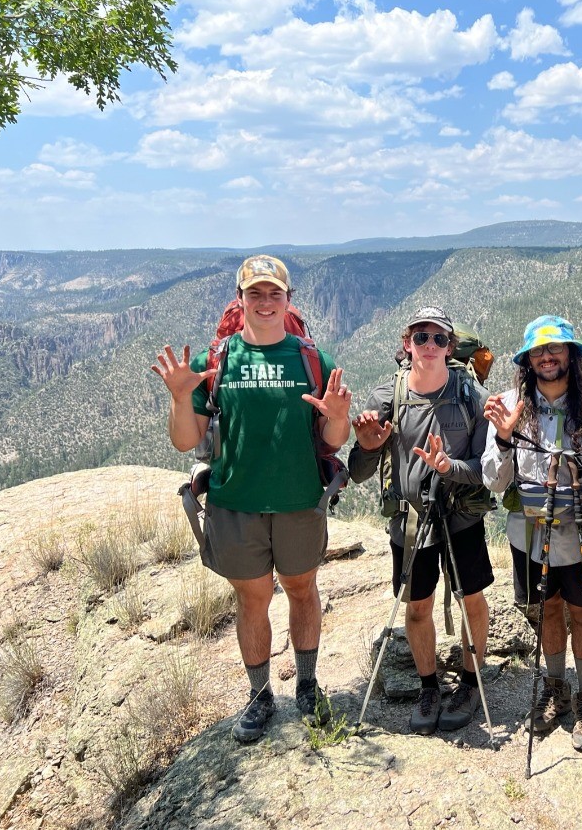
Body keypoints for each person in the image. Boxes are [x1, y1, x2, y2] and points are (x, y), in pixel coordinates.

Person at [150, 255, 352, 743]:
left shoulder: (311, 359)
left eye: (274, 294)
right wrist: (181, 398)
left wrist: (339, 415)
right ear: (239, 300)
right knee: (252, 598)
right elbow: (185, 440)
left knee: (302, 589)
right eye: (255, 294)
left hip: (299, 500)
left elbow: (333, 435)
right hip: (235, 503)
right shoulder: (213, 364)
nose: (265, 303)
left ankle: (306, 685)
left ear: (288, 300)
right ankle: (261, 696)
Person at [482, 315, 582, 754]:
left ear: (571, 355)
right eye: (538, 351)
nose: (547, 357)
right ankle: (556, 687)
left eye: (555, 349)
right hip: (530, 532)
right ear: (528, 360)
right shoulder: (510, 404)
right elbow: (494, 480)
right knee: (546, 609)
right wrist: (505, 437)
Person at [349, 306, 493, 736]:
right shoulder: (386, 398)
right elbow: (357, 470)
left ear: (450, 347)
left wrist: (450, 468)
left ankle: (470, 682)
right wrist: (369, 445)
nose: (429, 346)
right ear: (406, 343)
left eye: (438, 339)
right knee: (417, 606)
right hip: (411, 521)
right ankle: (429, 686)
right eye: (421, 337)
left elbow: (487, 468)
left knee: (471, 599)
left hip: (461, 514)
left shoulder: (471, 396)